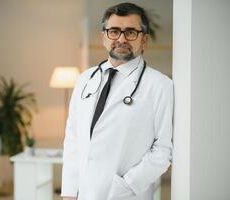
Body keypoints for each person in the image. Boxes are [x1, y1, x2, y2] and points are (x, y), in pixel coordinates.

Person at [61, 3, 174, 200]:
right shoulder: (85, 79)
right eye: (114, 31)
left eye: (130, 32)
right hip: (83, 193)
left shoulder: (160, 85)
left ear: (144, 40)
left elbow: (163, 151)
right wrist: (69, 192)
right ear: (104, 36)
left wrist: (124, 187)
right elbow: (73, 138)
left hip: (125, 195)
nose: (121, 39)